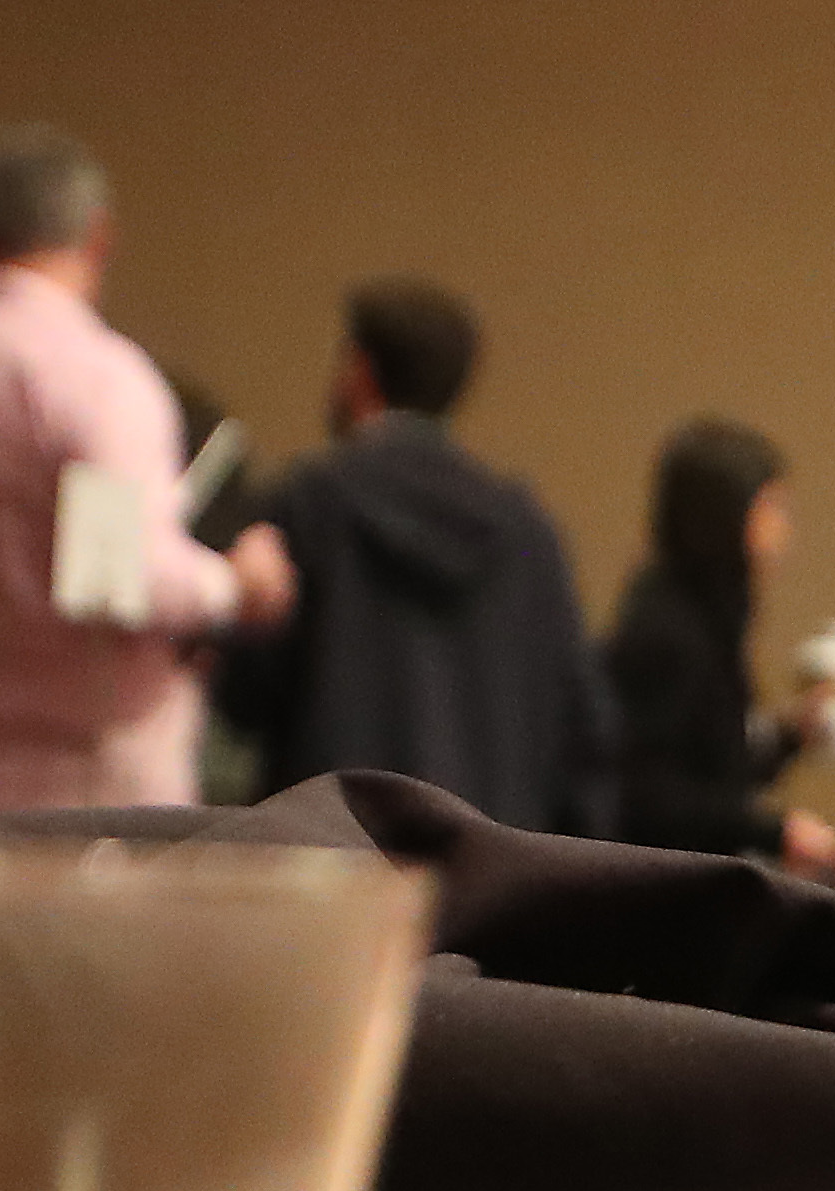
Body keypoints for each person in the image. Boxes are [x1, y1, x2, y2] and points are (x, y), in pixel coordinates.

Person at [0, 123, 293, 815]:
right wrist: (236, 584)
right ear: (98, 234)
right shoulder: (99, 381)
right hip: (89, 794)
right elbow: (117, 584)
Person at [218, 279, 616, 835]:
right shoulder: (528, 531)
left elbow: (243, 698)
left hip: (331, 863)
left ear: (359, 371)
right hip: (484, 871)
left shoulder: (311, 503)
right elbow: (583, 728)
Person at [604, 419, 834, 871]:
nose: (783, 527)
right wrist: (776, 830)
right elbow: (650, 793)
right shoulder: (668, 632)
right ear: (725, 513)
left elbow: (712, 767)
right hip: (660, 890)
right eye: (771, 506)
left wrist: (791, 738)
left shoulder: (706, 618)